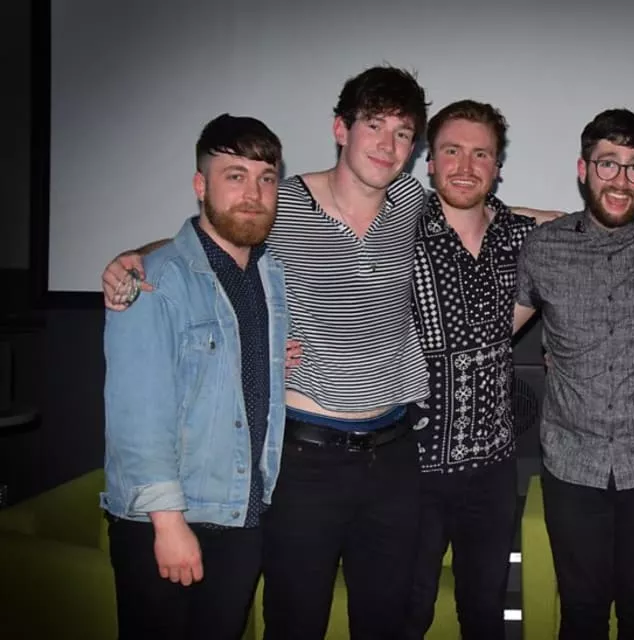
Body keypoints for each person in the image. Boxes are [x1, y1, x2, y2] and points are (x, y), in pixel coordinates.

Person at [102, 65, 432, 639]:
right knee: (294, 621)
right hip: (306, 458)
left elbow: (479, 212)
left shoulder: (410, 200)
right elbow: (214, 232)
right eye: (374, 125)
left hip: (393, 453)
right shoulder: (284, 204)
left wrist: (571, 220)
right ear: (341, 129)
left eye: (403, 133)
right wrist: (132, 257)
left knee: (386, 620)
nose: (388, 144)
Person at [100, 113, 288, 640]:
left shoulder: (269, 274)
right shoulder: (152, 279)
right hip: (169, 522)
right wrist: (168, 525)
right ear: (201, 186)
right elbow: (136, 414)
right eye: (235, 176)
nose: (253, 194)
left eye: (266, 178)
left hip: (241, 514)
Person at [513, 108, 634, 638]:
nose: (620, 180)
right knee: (581, 613)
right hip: (573, 465)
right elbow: (495, 330)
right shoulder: (544, 246)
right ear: (583, 168)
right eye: (607, 163)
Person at [403, 99, 547, 639]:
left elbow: (592, 229)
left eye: (480, 154)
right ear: (429, 161)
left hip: (492, 467)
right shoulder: (395, 229)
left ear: (497, 166)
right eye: (452, 151)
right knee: (406, 614)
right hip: (408, 467)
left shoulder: (521, 236)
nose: (466, 166)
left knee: (485, 615)